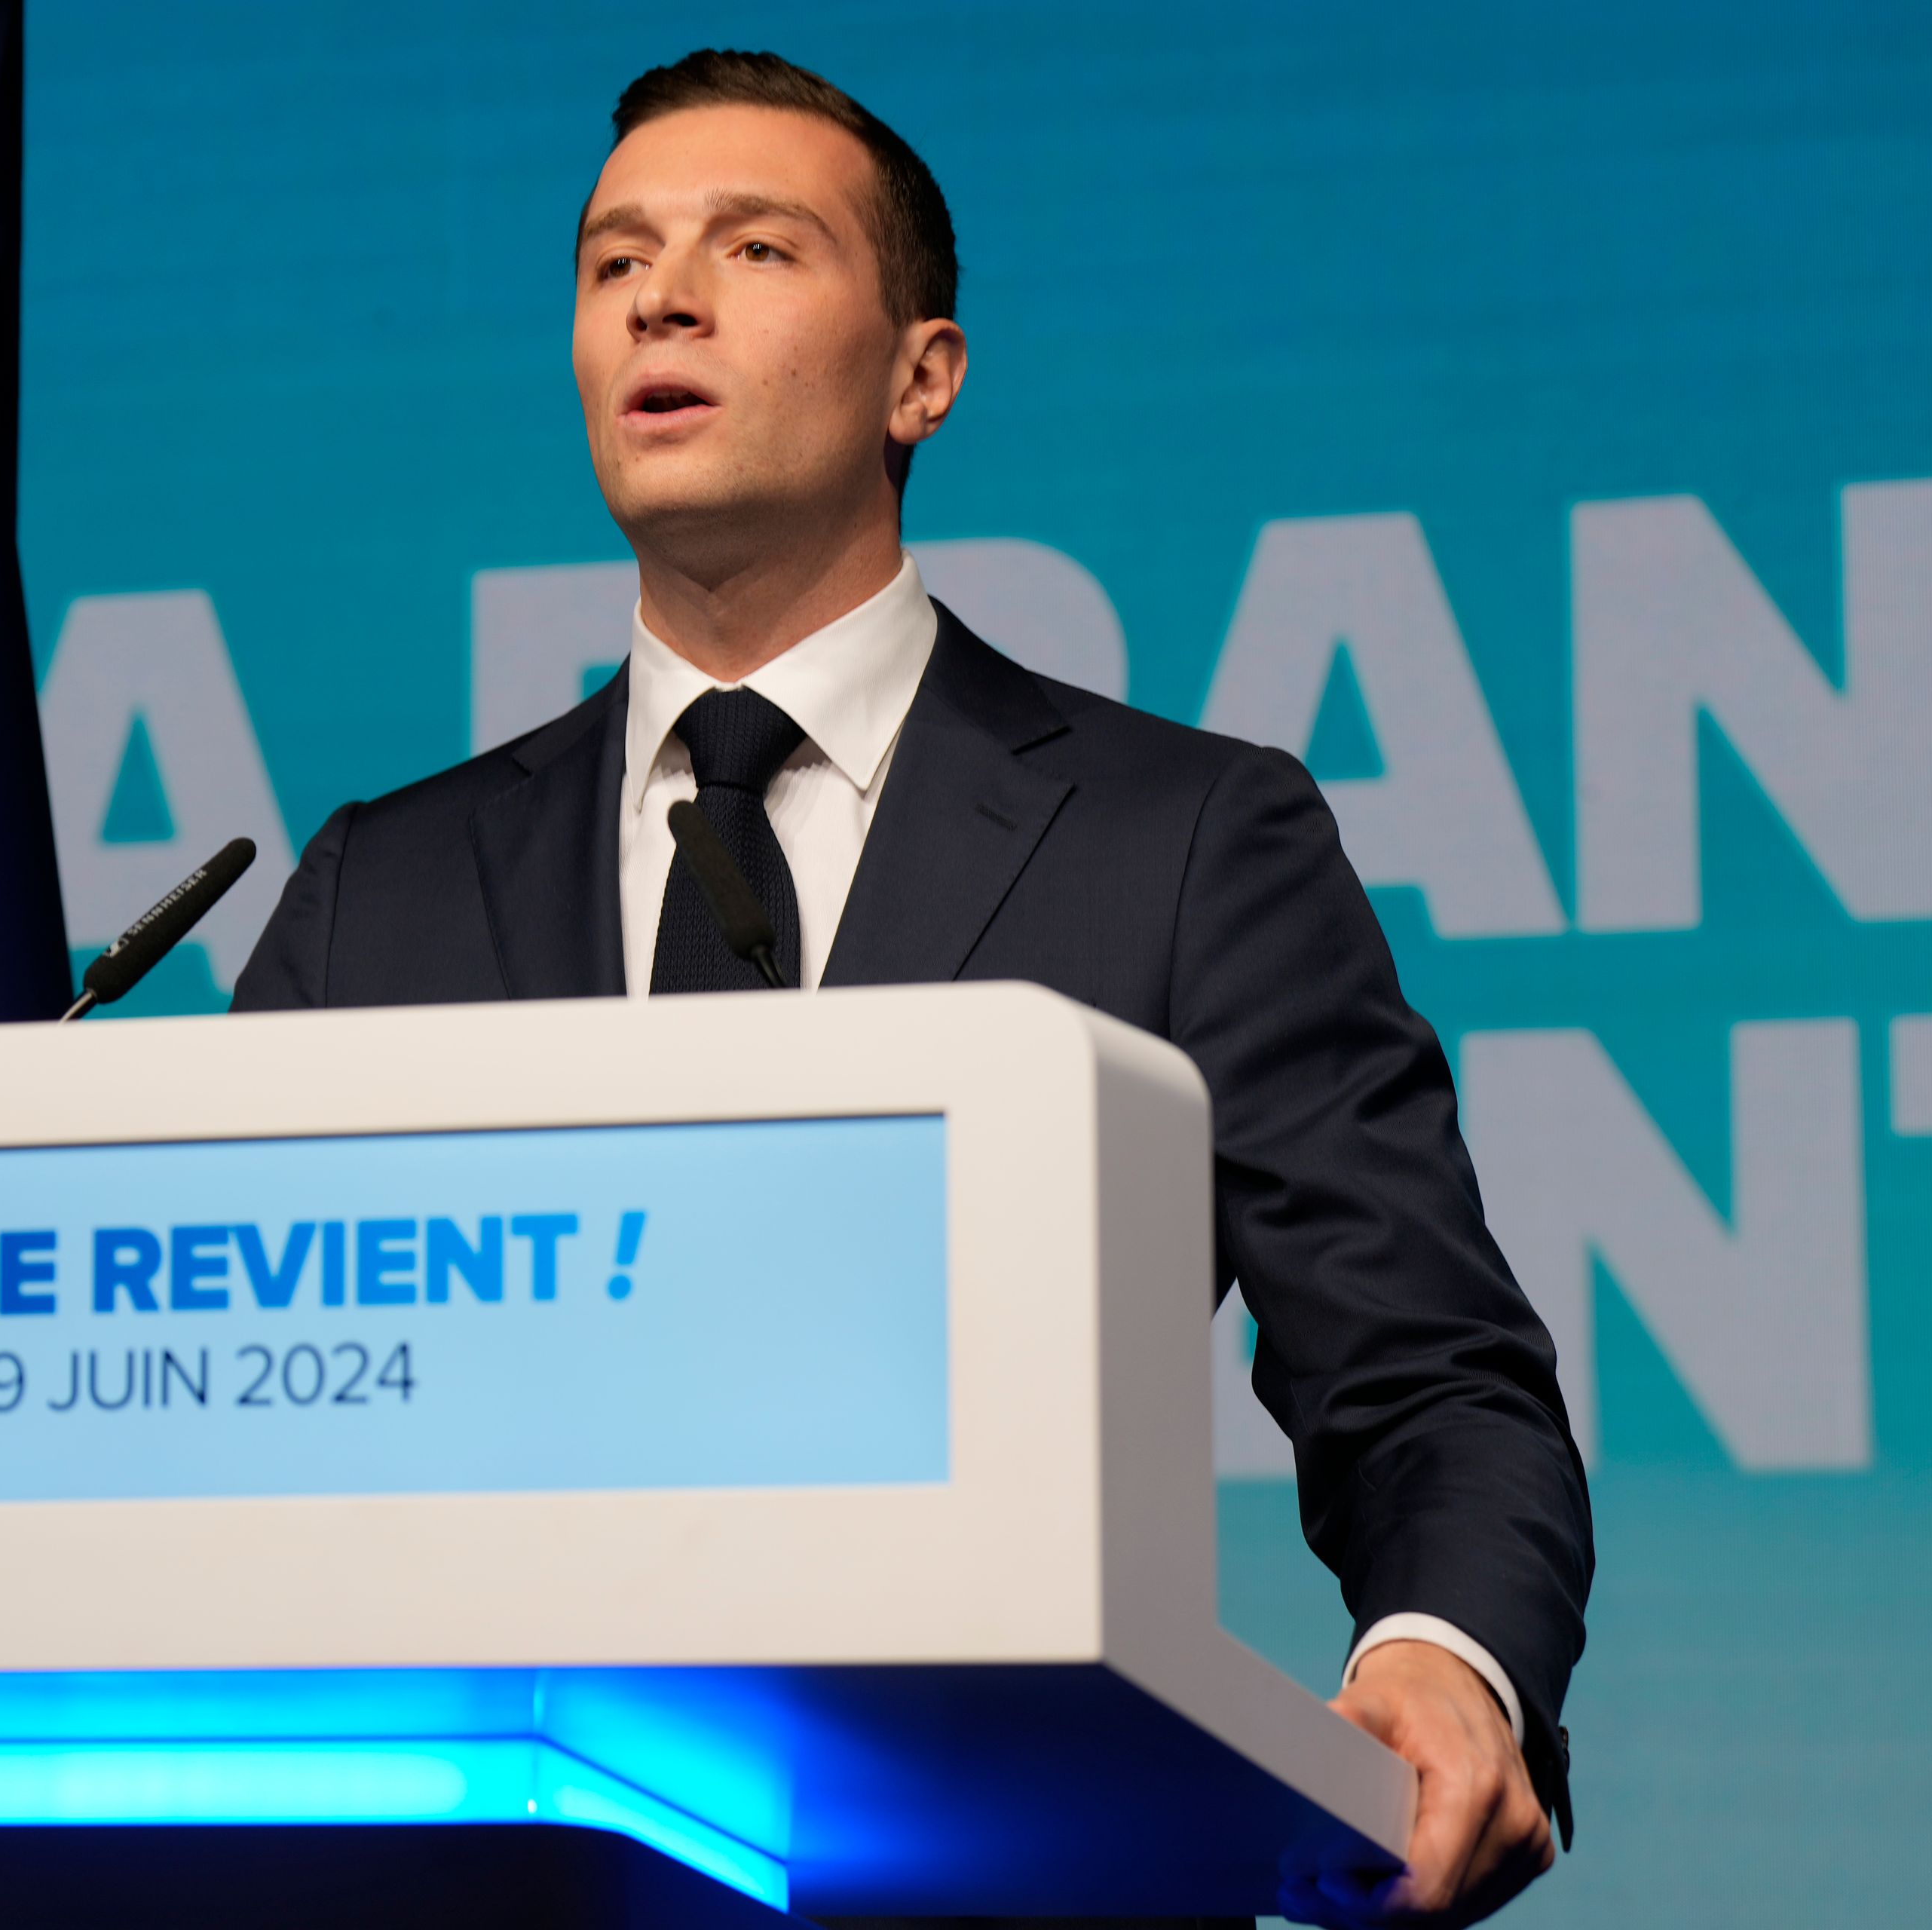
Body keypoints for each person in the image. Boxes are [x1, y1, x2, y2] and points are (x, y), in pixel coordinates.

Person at [231, 48, 1592, 1930]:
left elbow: (1427, 1369)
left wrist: (1445, 1649)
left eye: (756, 247)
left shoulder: (1183, 839)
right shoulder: (380, 887)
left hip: (993, 1872)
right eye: (613, 257)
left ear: (922, 377)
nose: (663, 296)